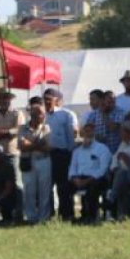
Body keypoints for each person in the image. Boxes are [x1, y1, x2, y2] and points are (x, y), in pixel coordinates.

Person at [43, 88, 79, 221]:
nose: (46, 102)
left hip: (62, 155)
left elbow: (72, 136)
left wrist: (70, 154)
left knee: (63, 187)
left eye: (49, 99)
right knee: (48, 186)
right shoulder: (42, 116)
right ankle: (49, 215)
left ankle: (67, 215)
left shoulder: (67, 114)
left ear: (57, 100)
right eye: (44, 99)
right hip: (47, 155)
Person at [68, 122, 112, 224]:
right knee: (64, 187)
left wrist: (88, 180)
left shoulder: (102, 149)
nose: (87, 134)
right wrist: (75, 179)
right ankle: (69, 216)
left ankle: (92, 217)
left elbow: (103, 169)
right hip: (79, 178)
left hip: (97, 179)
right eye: (85, 131)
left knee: (93, 187)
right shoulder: (77, 151)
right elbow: (72, 168)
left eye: (90, 131)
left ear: (95, 133)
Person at [18, 102, 53, 223]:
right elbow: (21, 145)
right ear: (33, 114)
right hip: (28, 161)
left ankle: (43, 217)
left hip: (44, 160)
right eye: (40, 114)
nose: (43, 116)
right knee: (29, 190)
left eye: (43, 114)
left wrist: (30, 144)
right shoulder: (23, 128)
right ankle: (31, 217)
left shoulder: (46, 128)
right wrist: (38, 143)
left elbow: (48, 147)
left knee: (45, 190)